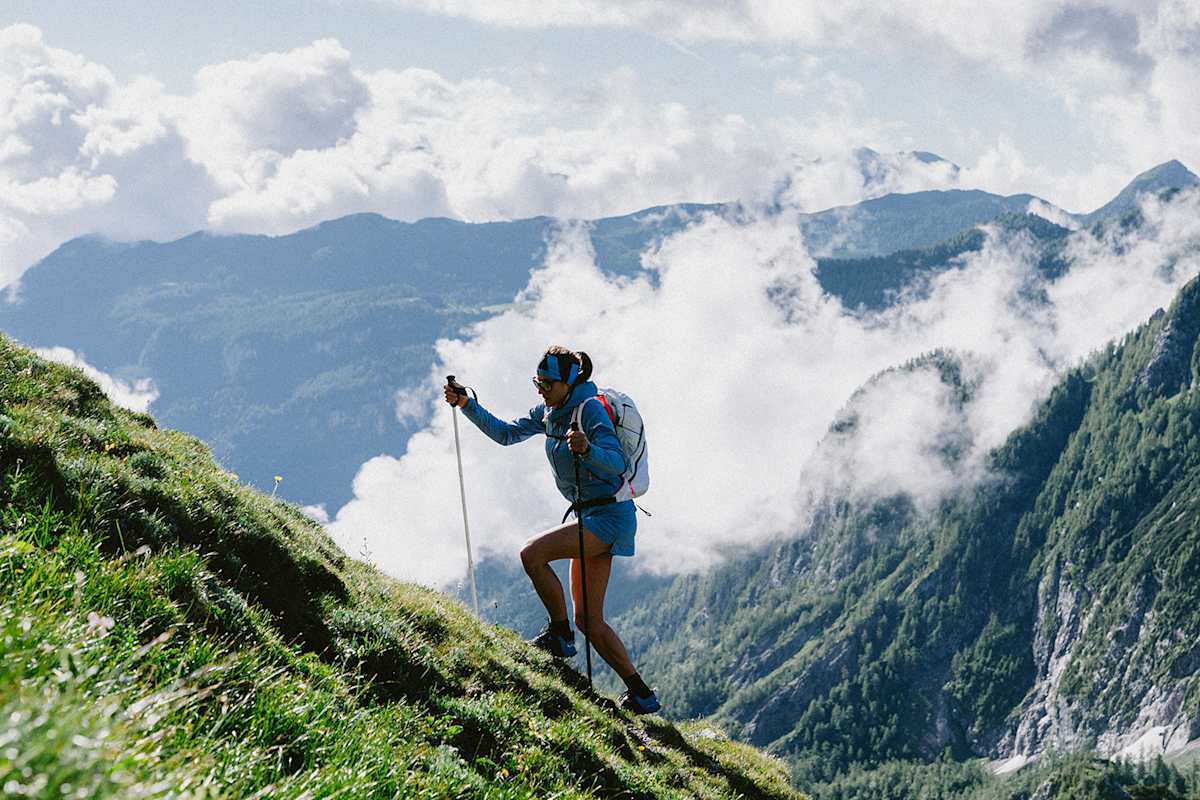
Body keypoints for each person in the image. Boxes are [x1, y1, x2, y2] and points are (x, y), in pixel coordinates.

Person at [443, 346, 660, 714]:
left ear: (569, 382)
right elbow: (507, 434)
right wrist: (467, 404)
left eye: (547, 383)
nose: (540, 388)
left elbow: (616, 463)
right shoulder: (549, 411)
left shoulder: (589, 409)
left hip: (609, 518)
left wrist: (588, 448)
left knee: (532, 553)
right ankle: (641, 694)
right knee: (590, 620)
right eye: (537, 381)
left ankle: (560, 637)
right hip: (591, 516)